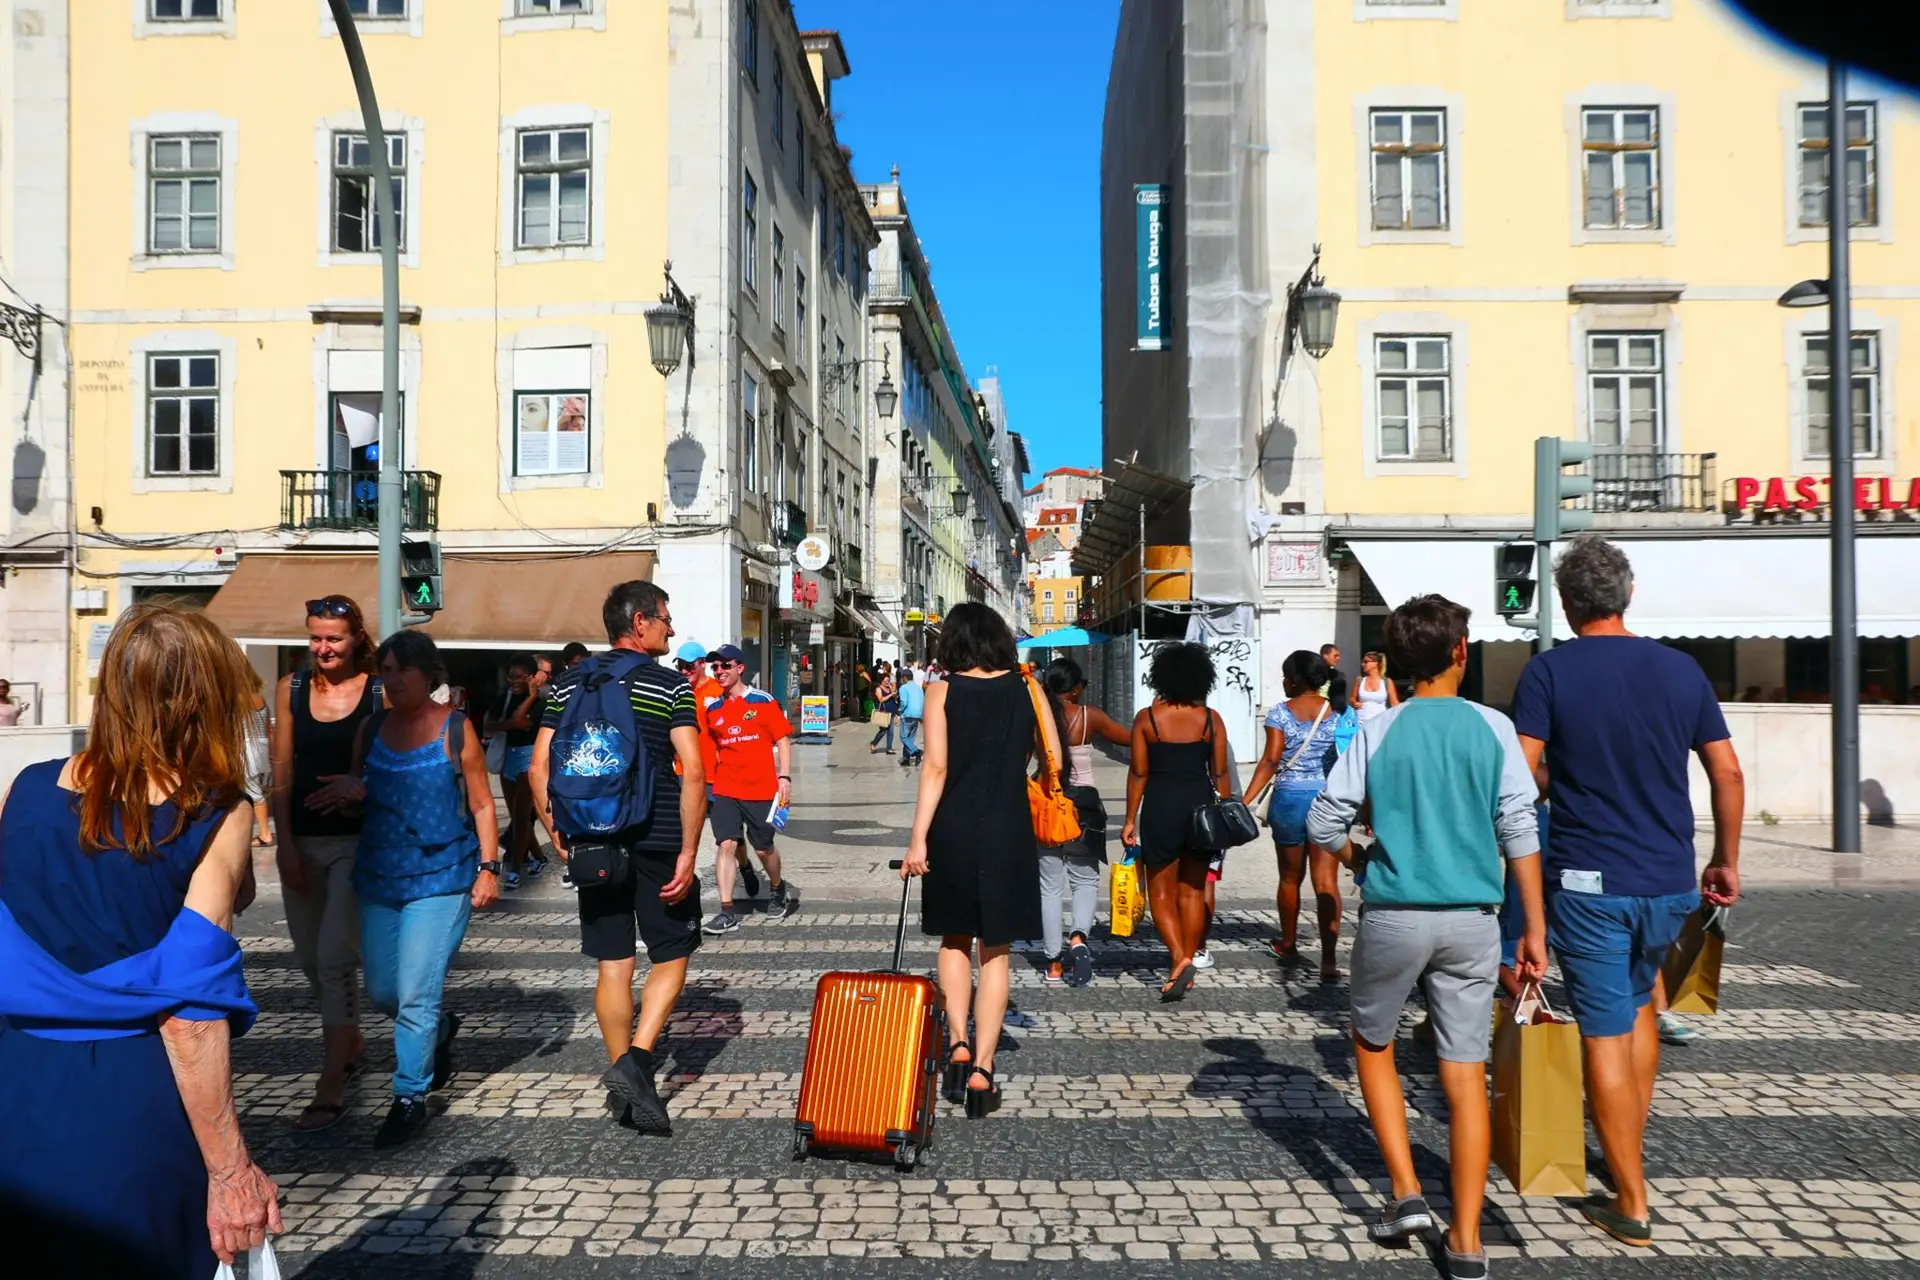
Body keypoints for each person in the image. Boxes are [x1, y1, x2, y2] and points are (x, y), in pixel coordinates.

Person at [0, 603, 281, 1275]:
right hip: (132, 1098)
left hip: (19, 1087)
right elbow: (191, 1015)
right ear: (200, 700)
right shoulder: (215, 812)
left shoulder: (28, 788)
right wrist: (232, 1170)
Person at [1510, 534, 1743, 1249]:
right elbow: (1727, 774)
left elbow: (1521, 779)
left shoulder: (1548, 674)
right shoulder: (1681, 670)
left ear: (1568, 602)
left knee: (1606, 1028)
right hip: (1670, 879)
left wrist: (1558, 788)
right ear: (1628, 595)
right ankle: (1624, 1158)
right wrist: (1724, 860)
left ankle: (1631, 1198)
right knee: (1641, 1005)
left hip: (1589, 882)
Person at [1307, 594, 1546, 1279]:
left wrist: (1360, 858)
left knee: (1372, 1042)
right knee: (1464, 1071)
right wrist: (1533, 925)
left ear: (1399, 665)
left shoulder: (1378, 730)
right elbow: (1519, 828)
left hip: (1393, 915)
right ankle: (1467, 1239)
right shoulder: (1494, 728)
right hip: (1473, 919)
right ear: (1460, 653)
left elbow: (1325, 824)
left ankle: (1406, 1193)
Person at [307, 631, 500, 1148]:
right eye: (385, 670)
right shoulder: (371, 730)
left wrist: (489, 867)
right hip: (378, 877)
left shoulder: (456, 729)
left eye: (400, 670)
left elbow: (482, 804)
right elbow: (356, 797)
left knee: (415, 993)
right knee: (384, 992)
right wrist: (349, 792)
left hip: (442, 878)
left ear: (426, 674)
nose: (391, 679)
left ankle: (409, 1096)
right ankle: (437, 1032)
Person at [530, 580, 707, 1137]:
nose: (670, 630)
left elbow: (537, 769)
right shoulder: (669, 685)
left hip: (591, 839)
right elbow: (695, 771)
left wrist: (559, 833)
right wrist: (689, 849)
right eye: (665, 619)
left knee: (613, 961)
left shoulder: (565, 685)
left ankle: (625, 1078)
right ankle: (638, 1061)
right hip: (654, 836)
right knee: (674, 950)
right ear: (640, 624)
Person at [901, 602, 1051, 1119]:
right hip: (1009, 826)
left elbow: (935, 769)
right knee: (998, 949)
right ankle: (984, 1072)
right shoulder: (1028, 687)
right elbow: (1045, 755)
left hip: (953, 828)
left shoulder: (940, 690)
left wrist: (918, 839)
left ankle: (959, 1044)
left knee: (954, 937)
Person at [270, 593, 380, 1133]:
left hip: (359, 844)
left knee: (337, 956)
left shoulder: (379, 692)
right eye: (315, 637)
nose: (323, 648)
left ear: (356, 638)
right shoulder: (290, 688)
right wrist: (283, 844)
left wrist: (363, 787)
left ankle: (329, 1083)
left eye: (333, 638)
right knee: (311, 962)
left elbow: (398, 764)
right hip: (303, 842)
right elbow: (281, 770)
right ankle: (351, 1041)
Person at [1121, 642, 1230, 1002]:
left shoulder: (1147, 718)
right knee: (1193, 892)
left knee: (1161, 892)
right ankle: (1190, 956)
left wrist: (1129, 819)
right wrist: (1225, 811)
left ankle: (1179, 959)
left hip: (1160, 807)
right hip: (1199, 808)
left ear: (1161, 676)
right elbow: (1220, 772)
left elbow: (1138, 773)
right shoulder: (1211, 720)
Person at [1241, 650, 1344, 982]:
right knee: (1326, 882)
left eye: (1286, 676)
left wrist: (1245, 800)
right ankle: (1329, 959)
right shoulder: (1338, 713)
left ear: (1296, 680)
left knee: (1289, 877)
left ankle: (1288, 943)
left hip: (1289, 801)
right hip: (1327, 800)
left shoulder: (1280, 714)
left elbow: (1270, 761)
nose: (1284, 682)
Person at [1040, 658, 1131, 987]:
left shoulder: (1040, 718)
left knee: (1049, 888)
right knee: (1085, 879)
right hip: (1086, 808)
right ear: (1076, 688)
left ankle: (1053, 964)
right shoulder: (1089, 716)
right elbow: (1128, 738)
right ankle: (1078, 937)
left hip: (1050, 805)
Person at [701, 643, 796, 934]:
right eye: (715, 667)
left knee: (763, 849)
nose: (719, 672)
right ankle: (727, 910)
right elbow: (715, 748)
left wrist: (785, 777)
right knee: (726, 844)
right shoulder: (713, 709)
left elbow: (781, 740)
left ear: (740, 668)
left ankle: (778, 888)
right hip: (726, 788)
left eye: (725, 666)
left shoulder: (762, 702)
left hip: (761, 789)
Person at [486, 654, 547, 890]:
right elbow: (490, 727)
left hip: (529, 757)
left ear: (531, 678)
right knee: (516, 816)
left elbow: (520, 721)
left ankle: (515, 869)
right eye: (511, 676)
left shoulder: (541, 703)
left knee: (522, 815)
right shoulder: (503, 698)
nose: (513, 681)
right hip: (508, 755)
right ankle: (540, 858)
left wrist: (531, 697)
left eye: (519, 677)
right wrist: (511, 723)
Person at [243, 681, 274, 848]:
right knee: (253, 789)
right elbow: (269, 728)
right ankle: (262, 832)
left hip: (246, 747)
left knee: (252, 791)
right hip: (260, 745)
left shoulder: (238, 700)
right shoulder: (260, 699)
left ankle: (265, 833)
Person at [1355, 650, 1399, 724]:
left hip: (1381, 723)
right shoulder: (1360, 680)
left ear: (1376, 663)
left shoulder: (1386, 681)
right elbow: (1352, 699)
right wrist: (1354, 703)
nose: (1362, 664)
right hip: (1361, 723)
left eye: (1366, 662)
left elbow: (1394, 703)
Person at [897, 665, 926, 765]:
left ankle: (916, 751)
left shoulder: (903, 688)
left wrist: (899, 711)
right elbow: (923, 701)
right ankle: (906, 759)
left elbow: (904, 702)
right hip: (917, 715)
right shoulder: (919, 688)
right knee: (910, 738)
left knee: (903, 737)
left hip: (908, 714)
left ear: (904, 678)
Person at [869, 662, 899, 754]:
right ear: (881, 680)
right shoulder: (878, 689)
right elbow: (881, 699)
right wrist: (890, 695)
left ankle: (889, 748)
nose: (887, 682)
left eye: (888, 680)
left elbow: (893, 698)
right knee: (883, 731)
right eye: (886, 681)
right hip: (884, 712)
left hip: (892, 711)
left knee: (891, 732)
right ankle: (874, 743)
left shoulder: (889, 688)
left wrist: (894, 695)